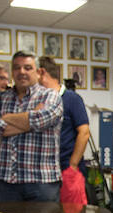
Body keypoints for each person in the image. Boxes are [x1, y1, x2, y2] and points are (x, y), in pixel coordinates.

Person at [0, 51, 63, 202]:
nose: (22, 72)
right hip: (8, 182)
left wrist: (5, 118)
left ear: (39, 72)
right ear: (12, 72)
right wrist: (30, 118)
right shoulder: (0, 98)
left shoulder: (50, 96)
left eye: (27, 68)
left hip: (42, 181)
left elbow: (41, 119)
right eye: (17, 68)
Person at [38, 57, 90, 205]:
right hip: (45, 171)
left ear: (42, 74)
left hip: (67, 168)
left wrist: (72, 165)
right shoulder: (39, 100)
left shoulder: (71, 99)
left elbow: (84, 132)